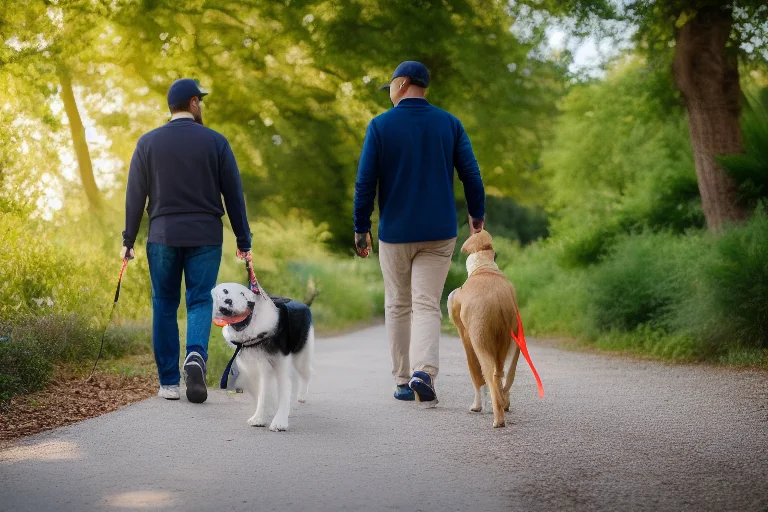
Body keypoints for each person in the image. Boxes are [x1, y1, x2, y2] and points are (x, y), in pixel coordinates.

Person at [353, 61, 486, 403]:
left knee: (398, 304)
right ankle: (423, 372)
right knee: (426, 303)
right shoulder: (449, 124)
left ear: (404, 83)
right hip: (439, 232)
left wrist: (361, 227)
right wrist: (477, 216)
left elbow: (365, 182)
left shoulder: (380, 126)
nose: (389, 95)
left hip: (395, 232)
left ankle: (401, 381)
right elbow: (471, 173)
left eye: (391, 86)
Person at [121, 78, 252, 403]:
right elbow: (234, 194)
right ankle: (195, 356)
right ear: (193, 103)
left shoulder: (148, 143)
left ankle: (168, 383)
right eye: (200, 101)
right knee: (198, 300)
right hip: (205, 235)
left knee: (164, 303)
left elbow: (135, 194)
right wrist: (243, 239)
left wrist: (128, 239)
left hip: (163, 235)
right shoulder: (216, 142)